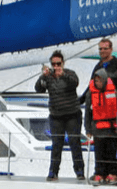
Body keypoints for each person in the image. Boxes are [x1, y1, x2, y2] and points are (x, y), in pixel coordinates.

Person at [35, 50, 85, 181]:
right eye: (53, 64)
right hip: (56, 115)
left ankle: (79, 171)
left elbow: (75, 83)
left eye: (58, 64)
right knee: (57, 144)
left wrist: (63, 75)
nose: (56, 67)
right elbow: (39, 89)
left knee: (75, 143)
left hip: (72, 115)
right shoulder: (48, 77)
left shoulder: (70, 73)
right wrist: (42, 77)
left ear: (63, 63)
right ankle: (53, 172)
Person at [85, 68, 117, 182]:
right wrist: (88, 129)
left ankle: (113, 173)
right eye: (96, 81)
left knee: (112, 152)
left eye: (100, 80)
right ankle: (99, 172)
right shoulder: (91, 93)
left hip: (112, 128)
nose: (98, 83)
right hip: (98, 128)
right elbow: (88, 112)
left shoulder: (114, 92)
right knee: (99, 153)